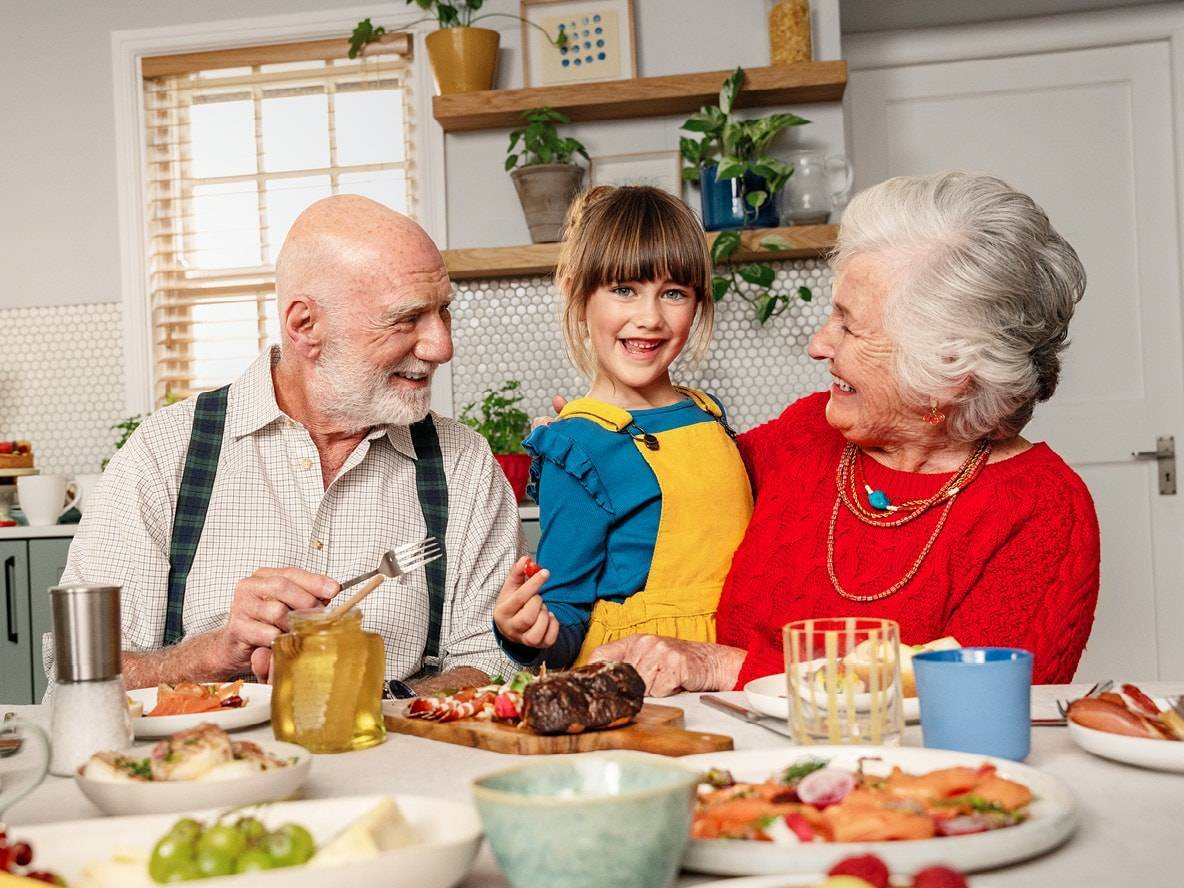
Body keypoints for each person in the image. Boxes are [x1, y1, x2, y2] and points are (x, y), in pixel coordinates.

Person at [586, 172, 1101, 693]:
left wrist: (725, 667)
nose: (818, 344)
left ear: (948, 373)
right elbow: (678, 493)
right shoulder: (809, 431)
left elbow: (979, 702)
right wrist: (599, 436)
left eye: (849, 326)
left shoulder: (1042, 510)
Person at [51, 195, 525, 694]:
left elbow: (495, 663)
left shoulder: (464, 463)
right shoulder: (164, 453)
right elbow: (77, 669)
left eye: (443, 312)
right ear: (305, 326)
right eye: (406, 319)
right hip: (202, 766)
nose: (440, 346)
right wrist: (214, 655)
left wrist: (368, 696)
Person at [492, 186, 754, 668]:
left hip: (728, 662)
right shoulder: (578, 446)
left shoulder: (707, 415)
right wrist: (531, 631)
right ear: (576, 292)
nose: (650, 317)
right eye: (624, 290)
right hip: (637, 679)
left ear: (698, 302)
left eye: (673, 293)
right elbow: (566, 612)